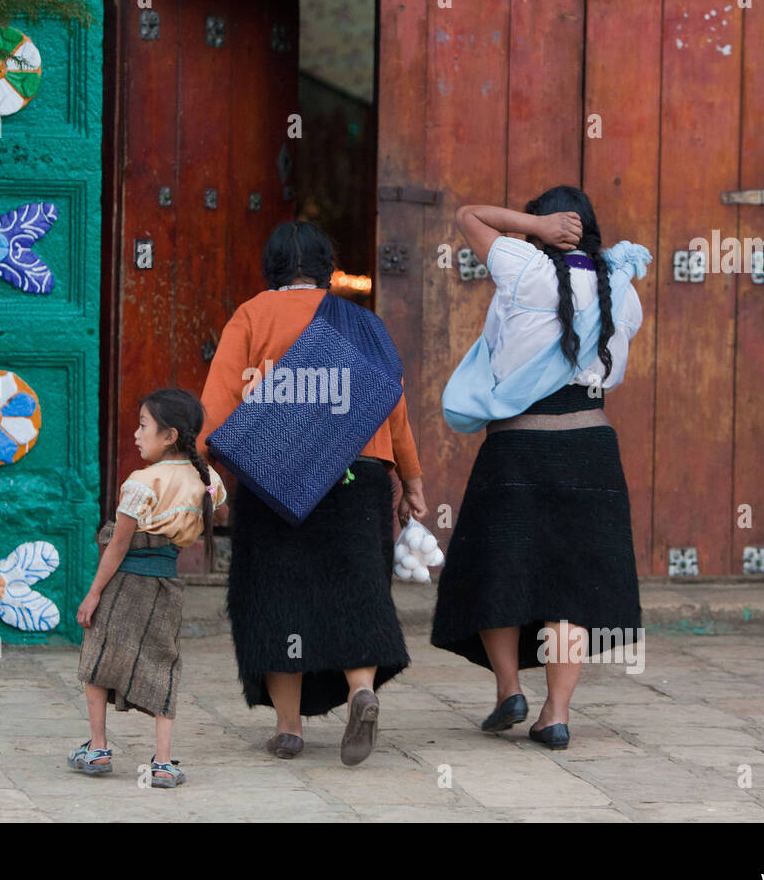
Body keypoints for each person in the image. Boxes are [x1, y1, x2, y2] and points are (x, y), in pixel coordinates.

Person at [198, 220, 427, 766]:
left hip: (275, 473)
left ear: (270, 265)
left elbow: (218, 400)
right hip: (361, 474)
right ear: (328, 265)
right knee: (357, 589)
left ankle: (288, 728)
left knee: (275, 593)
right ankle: (361, 689)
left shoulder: (252, 314)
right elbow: (392, 405)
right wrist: (411, 483)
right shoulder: (363, 324)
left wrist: (205, 464)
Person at [431, 185, 651, 751]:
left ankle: (510, 689)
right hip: (592, 448)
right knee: (570, 586)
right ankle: (556, 714)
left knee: (497, 566)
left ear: (547, 226)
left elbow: (469, 214)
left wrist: (534, 227)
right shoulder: (622, 290)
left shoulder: (524, 267)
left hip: (518, 446)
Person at [70, 388, 226, 788]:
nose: (137, 434)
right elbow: (217, 502)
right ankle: (162, 762)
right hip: (166, 585)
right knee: (163, 662)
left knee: (98, 657)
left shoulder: (141, 482)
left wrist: (93, 594)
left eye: (143, 426)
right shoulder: (207, 479)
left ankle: (99, 748)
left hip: (125, 582)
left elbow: (119, 545)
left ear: (170, 435)